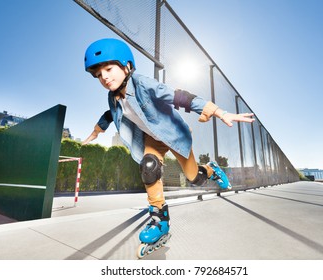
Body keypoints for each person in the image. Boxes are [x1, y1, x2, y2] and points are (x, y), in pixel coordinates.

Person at [82, 38, 254, 257]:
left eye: (108, 69)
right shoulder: (113, 97)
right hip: (152, 140)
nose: (104, 77)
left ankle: (211, 169)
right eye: (98, 75)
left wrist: (218, 111)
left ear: (126, 66)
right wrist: (97, 131)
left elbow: (177, 97)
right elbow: (110, 115)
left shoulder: (144, 84)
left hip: (174, 135)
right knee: (149, 167)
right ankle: (159, 221)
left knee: (195, 178)